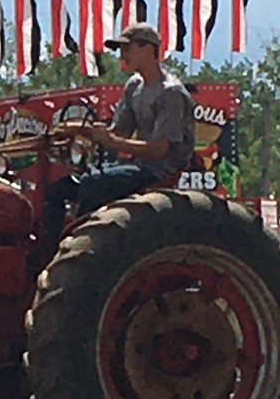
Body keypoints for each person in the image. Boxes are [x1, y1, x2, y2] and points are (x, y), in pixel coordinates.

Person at [45, 22, 196, 239]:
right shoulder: (135, 86)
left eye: (127, 47)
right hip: (138, 166)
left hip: (159, 172)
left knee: (92, 184)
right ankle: (49, 247)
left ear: (149, 49)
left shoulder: (170, 93)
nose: (122, 54)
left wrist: (110, 140)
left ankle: (87, 243)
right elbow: (118, 132)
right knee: (60, 188)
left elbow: (159, 151)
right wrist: (80, 130)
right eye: (120, 49)